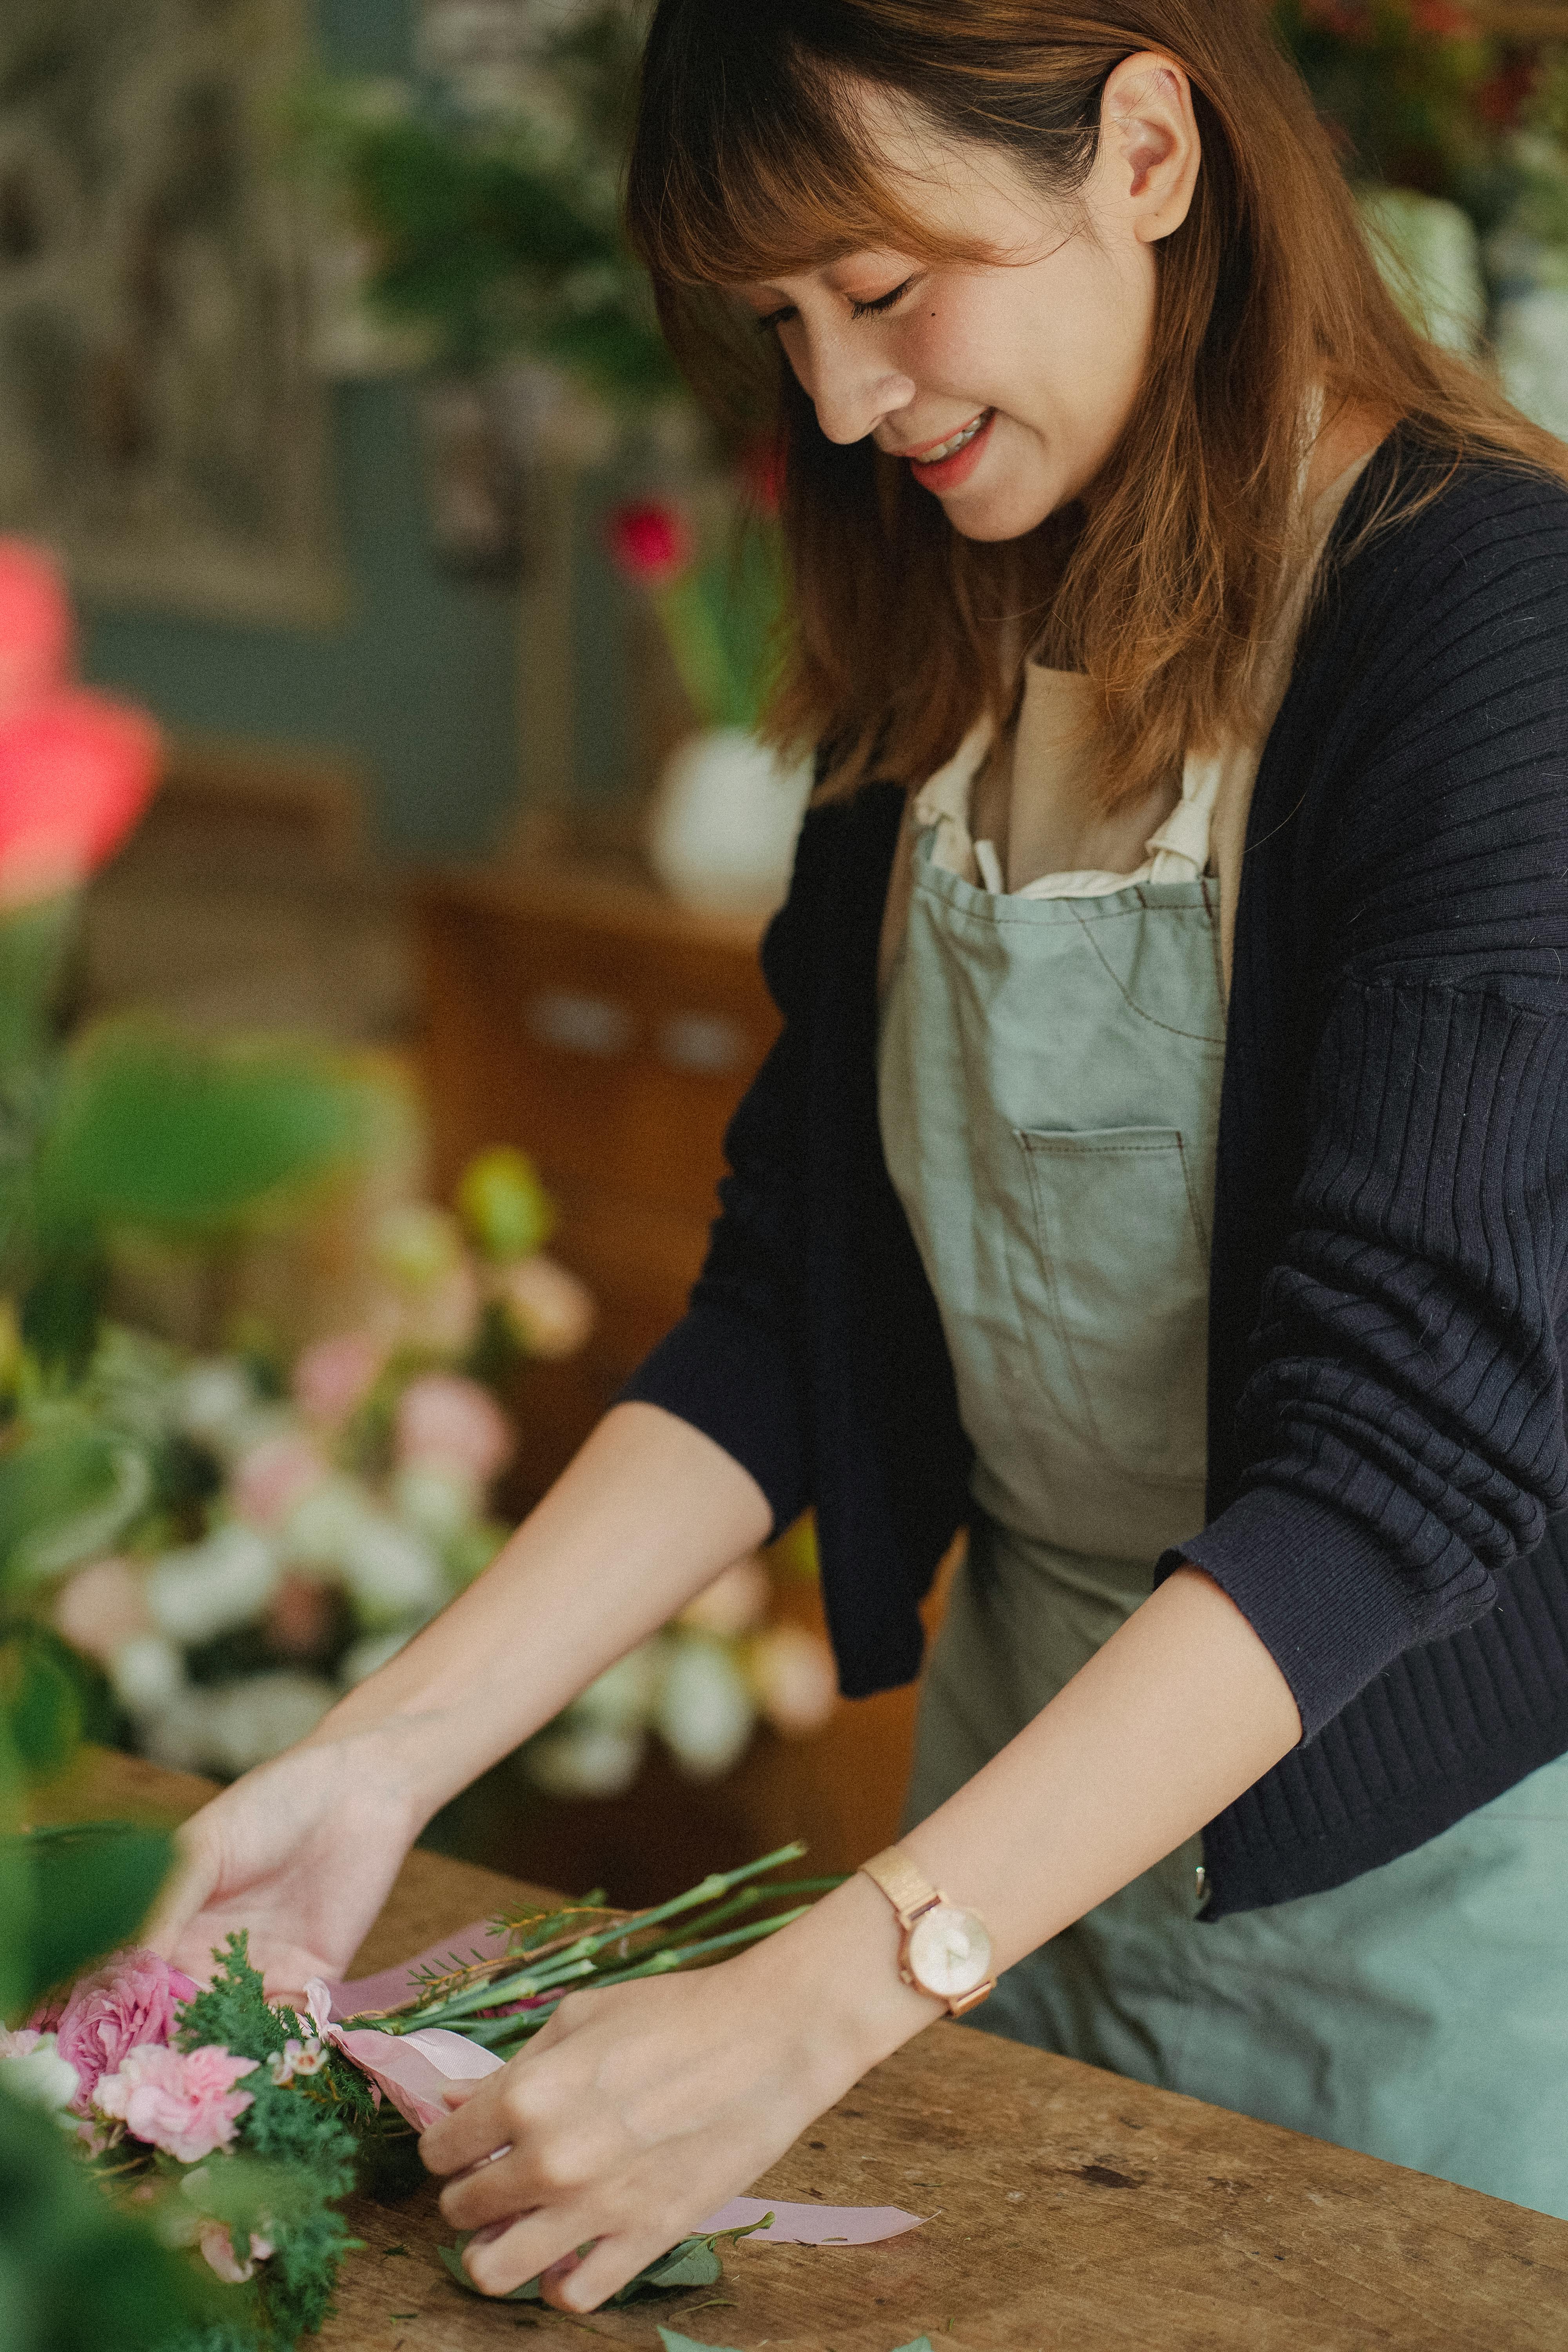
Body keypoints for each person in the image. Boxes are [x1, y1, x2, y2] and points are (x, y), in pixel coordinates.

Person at [150, 0, 1568, 2312]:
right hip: (1009, 1864)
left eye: (884, 290)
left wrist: (814, 1997)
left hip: (1409, 1930)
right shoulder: (955, 615)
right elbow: (791, 1311)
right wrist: (371, 1765)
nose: (832, 400)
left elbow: (1400, 1468)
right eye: (783, 323)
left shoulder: (1492, 629)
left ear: (1143, 149)